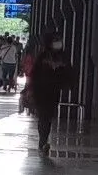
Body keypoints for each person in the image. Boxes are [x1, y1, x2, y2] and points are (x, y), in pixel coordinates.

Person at [28, 30, 74, 159]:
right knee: (43, 116)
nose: (58, 43)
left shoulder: (63, 57)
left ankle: (43, 139)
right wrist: (30, 90)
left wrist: (68, 84)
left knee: (48, 117)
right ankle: (43, 141)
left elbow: (69, 73)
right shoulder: (42, 57)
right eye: (55, 41)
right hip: (40, 91)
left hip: (54, 92)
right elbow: (34, 74)